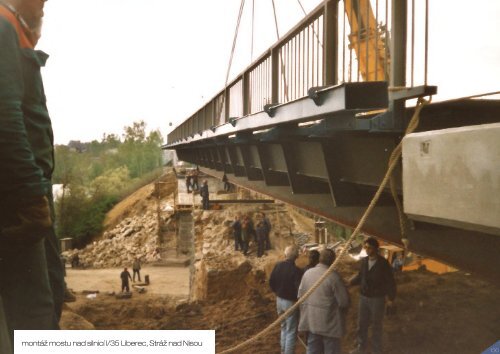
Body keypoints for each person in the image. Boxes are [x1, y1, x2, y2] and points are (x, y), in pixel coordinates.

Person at [0, 1, 64, 352]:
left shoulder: (12, 28)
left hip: (24, 192)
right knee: (33, 313)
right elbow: (6, 118)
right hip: (16, 200)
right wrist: (30, 196)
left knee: (48, 294)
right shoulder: (2, 26)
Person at [349, 237, 396, 354]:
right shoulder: (364, 261)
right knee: (362, 323)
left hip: (377, 298)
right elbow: (361, 276)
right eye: (365, 247)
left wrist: (391, 299)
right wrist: (350, 282)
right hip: (364, 297)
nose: (367, 250)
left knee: (376, 325)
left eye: (369, 247)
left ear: (376, 248)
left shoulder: (383, 263)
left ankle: (376, 350)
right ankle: (361, 347)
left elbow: (390, 281)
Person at [298, 249, 350, 354]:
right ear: (332, 261)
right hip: (329, 324)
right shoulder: (334, 277)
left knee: (313, 350)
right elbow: (344, 302)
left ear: (319, 259)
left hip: (312, 321)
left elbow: (300, 296)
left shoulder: (307, 273)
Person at [269, 245, 303, 354]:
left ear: (285, 254)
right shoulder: (296, 271)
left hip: (279, 300)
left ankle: (283, 351)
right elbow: (299, 289)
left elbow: (271, 282)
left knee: (283, 327)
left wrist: (277, 292)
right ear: (296, 256)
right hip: (290, 302)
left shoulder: (278, 265)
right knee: (291, 331)